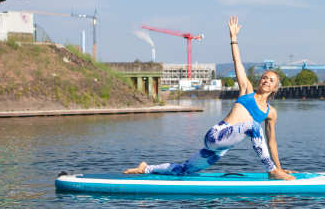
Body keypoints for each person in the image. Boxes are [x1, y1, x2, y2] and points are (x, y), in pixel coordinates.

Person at [125, 16, 296, 180]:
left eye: (271, 80)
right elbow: (238, 64)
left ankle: (145, 168)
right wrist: (233, 39)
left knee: (184, 170)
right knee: (253, 126)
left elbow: (272, 142)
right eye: (264, 77)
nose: (266, 80)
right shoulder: (247, 90)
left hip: (220, 148)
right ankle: (271, 171)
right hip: (216, 135)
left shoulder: (270, 112)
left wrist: (280, 167)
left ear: (275, 88)